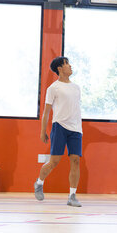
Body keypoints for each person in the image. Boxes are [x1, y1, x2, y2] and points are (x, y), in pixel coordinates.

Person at [34, 56, 83, 207]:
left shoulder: (76, 87)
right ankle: (39, 183)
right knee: (54, 161)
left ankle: (72, 196)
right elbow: (46, 112)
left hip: (75, 129)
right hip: (59, 127)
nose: (70, 66)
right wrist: (43, 131)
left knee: (75, 160)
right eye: (67, 63)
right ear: (60, 69)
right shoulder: (53, 88)